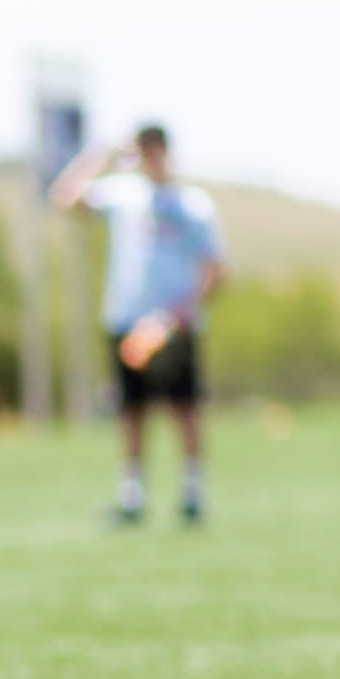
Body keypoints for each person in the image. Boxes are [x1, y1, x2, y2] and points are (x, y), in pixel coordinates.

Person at [49, 124, 225, 524]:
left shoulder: (193, 205)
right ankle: (132, 496)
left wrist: (175, 315)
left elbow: (215, 270)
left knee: (185, 408)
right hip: (127, 320)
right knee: (131, 410)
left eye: (155, 148)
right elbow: (64, 199)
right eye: (142, 149)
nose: (150, 157)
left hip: (174, 324)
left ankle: (192, 493)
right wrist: (102, 154)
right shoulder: (123, 195)